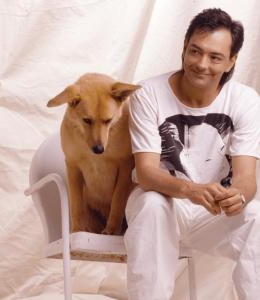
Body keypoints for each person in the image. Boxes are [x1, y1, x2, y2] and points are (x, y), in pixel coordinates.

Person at [125, 8, 260, 300]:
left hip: (212, 212)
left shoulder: (245, 100)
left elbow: (247, 178)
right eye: (195, 51)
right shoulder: (148, 93)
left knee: (256, 216)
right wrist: (191, 190)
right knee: (151, 205)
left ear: (231, 61)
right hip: (165, 203)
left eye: (215, 57)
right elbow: (147, 174)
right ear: (184, 48)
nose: (201, 64)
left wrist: (238, 196)